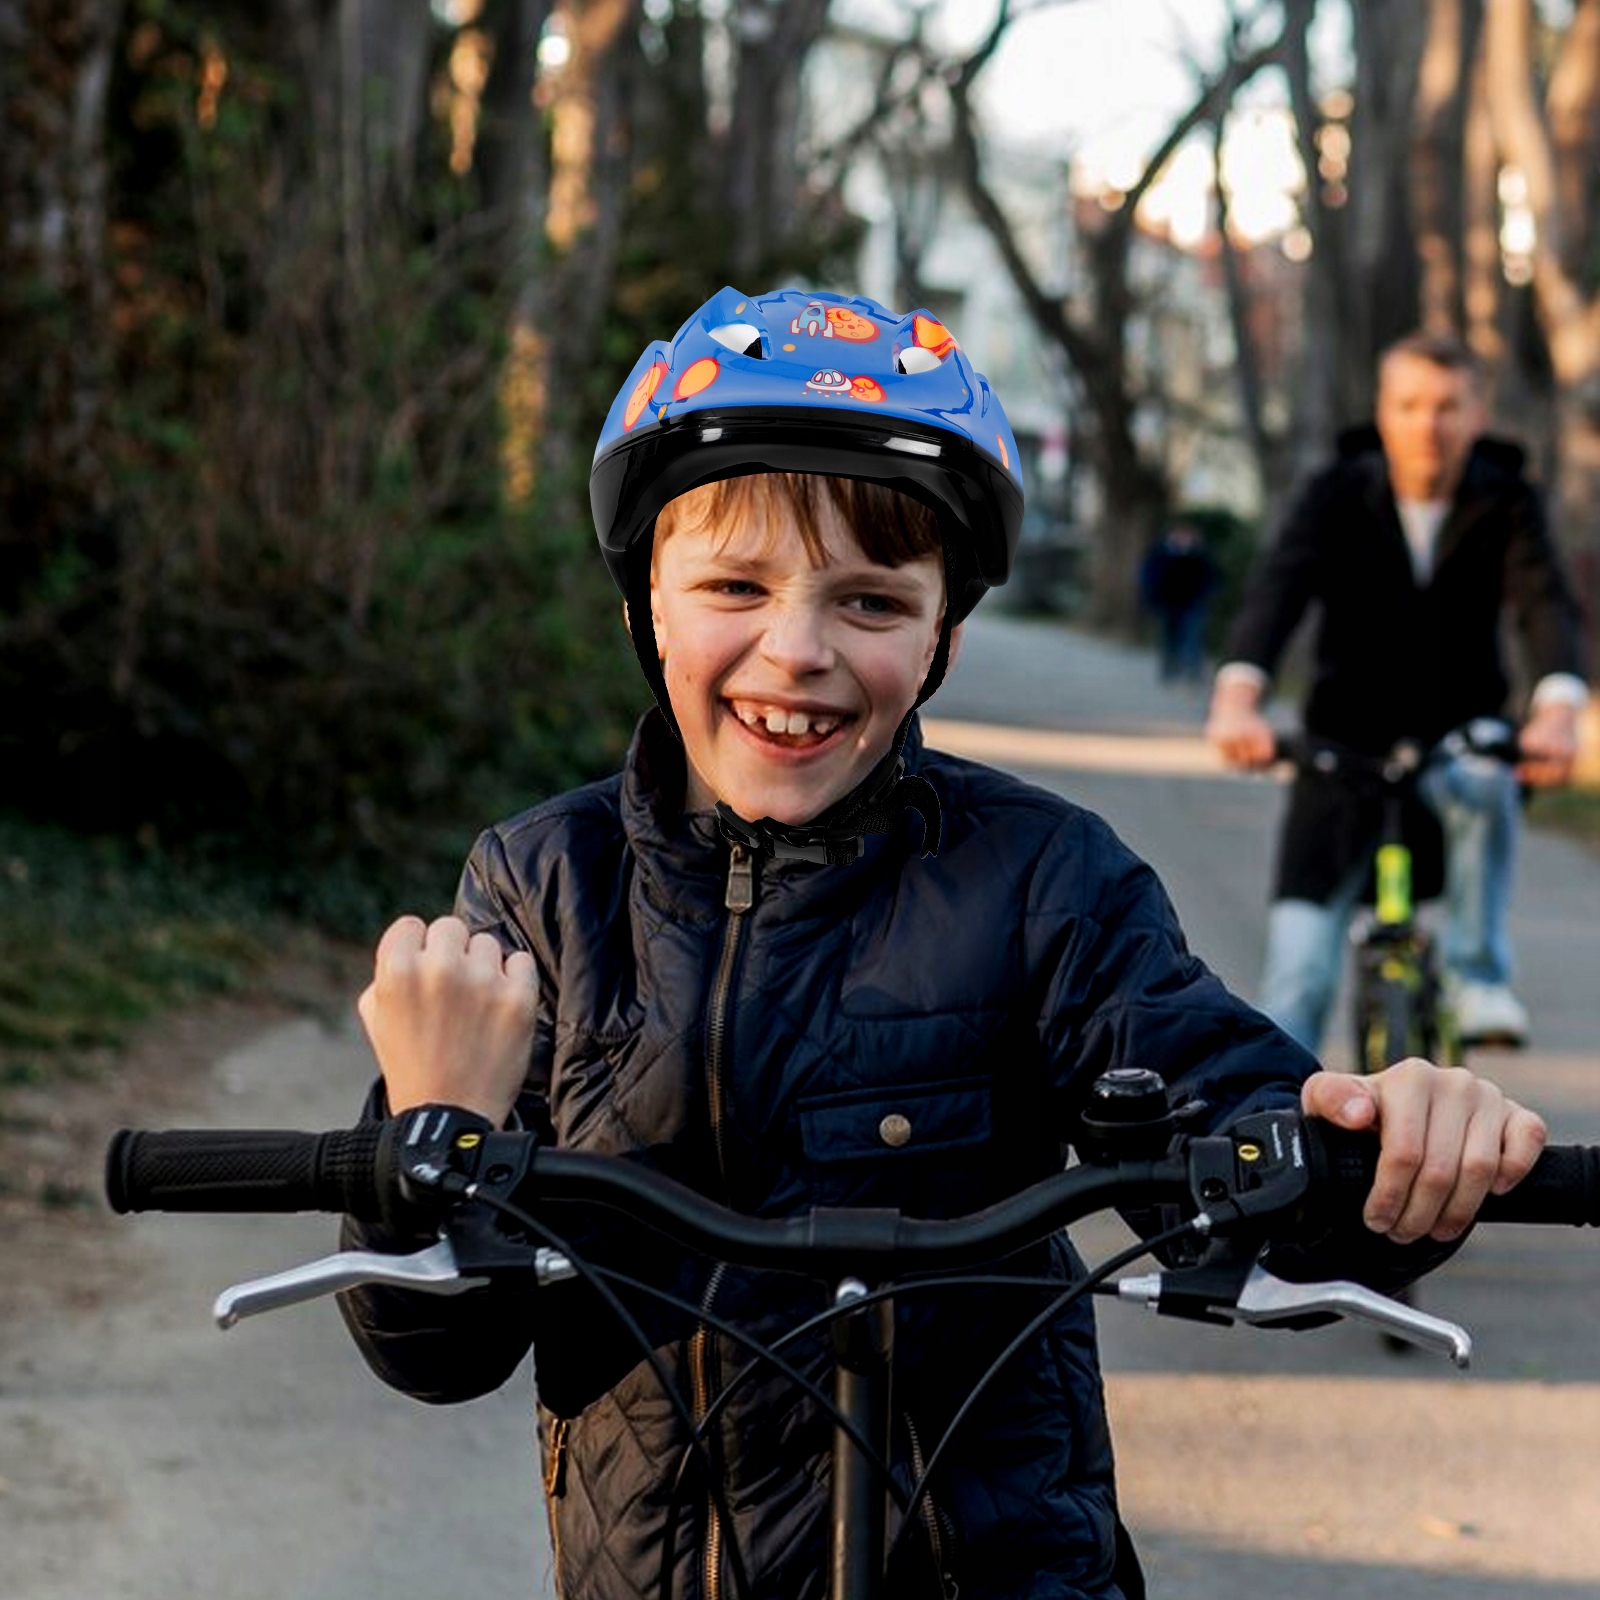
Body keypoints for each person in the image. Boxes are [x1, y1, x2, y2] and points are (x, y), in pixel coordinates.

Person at [339, 290, 1546, 1600]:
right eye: (734, 587)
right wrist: (427, 1132)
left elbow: (1238, 1136)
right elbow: (436, 1348)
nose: (794, 651)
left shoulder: (1045, 878)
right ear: (647, 607)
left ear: (943, 638)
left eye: (870, 602)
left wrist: (1390, 1142)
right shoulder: (542, 891)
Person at [1207, 331, 1588, 1053]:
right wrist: (1238, 697)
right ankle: (1284, 1141)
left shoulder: (1506, 499)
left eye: (1448, 406)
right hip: (1339, 760)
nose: (1429, 425)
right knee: (1297, 984)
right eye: (1410, 405)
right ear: (1383, 411)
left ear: (1478, 413)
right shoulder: (1338, 491)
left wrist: (1559, 709)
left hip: (1457, 748)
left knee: (1484, 775)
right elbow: (1278, 589)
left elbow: (1547, 604)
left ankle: (1479, 978)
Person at [1139, 521, 1218, 683]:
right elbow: (1149, 576)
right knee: (1169, 639)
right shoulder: (1161, 553)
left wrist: (1208, 594)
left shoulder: (1201, 555)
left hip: (1193, 604)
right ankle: (1169, 671)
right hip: (1168, 603)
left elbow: (1212, 577)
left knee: (1193, 639)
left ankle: (1192, 673)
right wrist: (1151, 597)